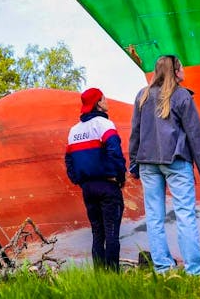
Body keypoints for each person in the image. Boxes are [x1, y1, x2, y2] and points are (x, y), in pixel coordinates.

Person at [129, 55, 200, 275]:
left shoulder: (143, 95)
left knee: (154, 216)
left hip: (147, 162)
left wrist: (133, 164)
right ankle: (194, 270)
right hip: (176, 160)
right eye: (182, 67)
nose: (184, 70)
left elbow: (135, 133)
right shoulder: (181, 96)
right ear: (175, 72)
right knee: (185, 214)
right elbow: (196, 134)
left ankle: (162, 268)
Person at [64, 87, 127, 270]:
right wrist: (120, 177)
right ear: (98, 103)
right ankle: (113, 278)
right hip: (108, 186)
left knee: (97, 233)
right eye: (104, 98)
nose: (107, 101)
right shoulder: (104, 125)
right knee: (112, 233)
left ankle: (100, 278)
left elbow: (69, 159)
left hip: (88, 189)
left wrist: (78, 180)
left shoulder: (74, 131)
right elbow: (115, 152)